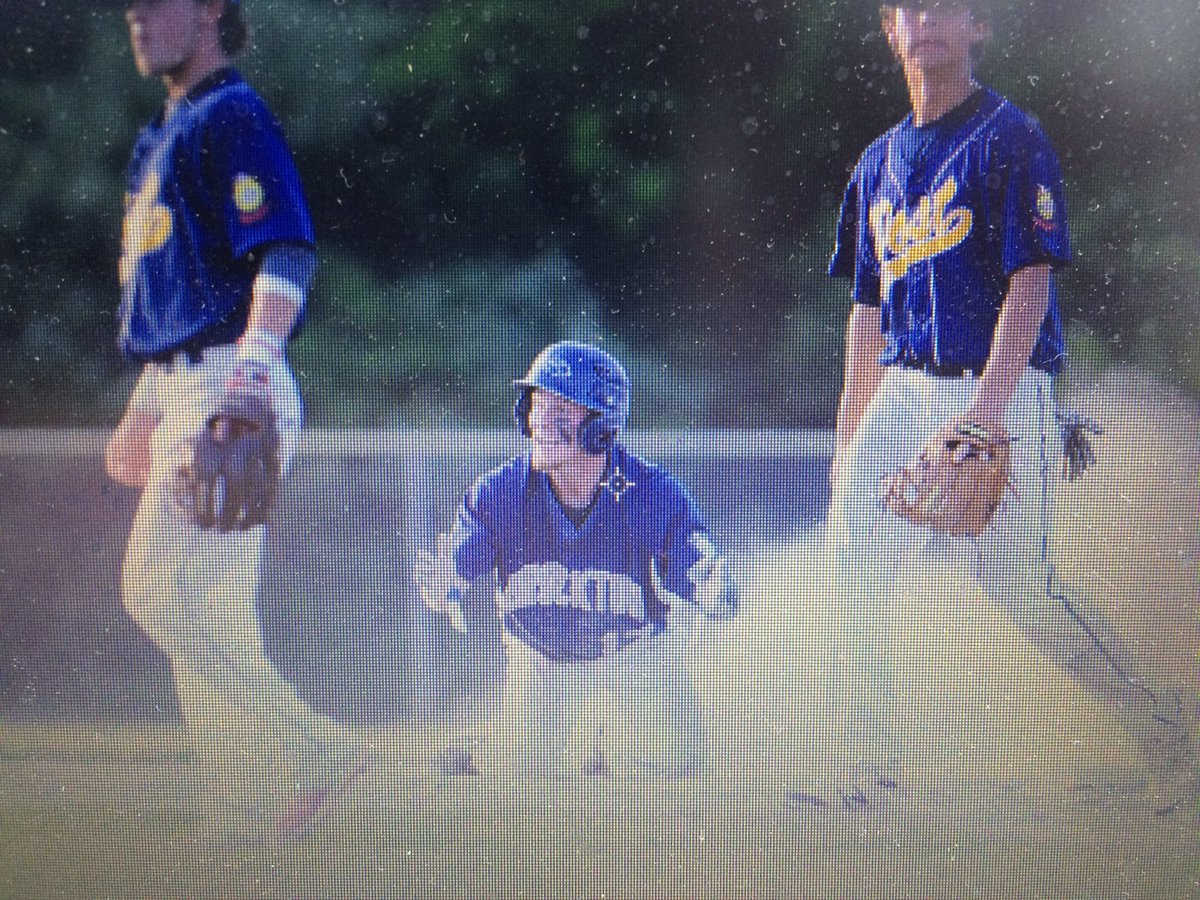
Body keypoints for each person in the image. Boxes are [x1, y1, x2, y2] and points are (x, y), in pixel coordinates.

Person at [811, 0, 1195, 812]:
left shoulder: (1010, 138)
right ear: (888, 28)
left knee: (1022, 588)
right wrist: (849, 436)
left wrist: (985, 413)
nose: (925, 20)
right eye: (908, 8)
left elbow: (1032, 279)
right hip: (904, 387)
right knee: (848, 563)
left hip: (1002, 382)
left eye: (946, 6)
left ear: (979, 26)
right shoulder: (877, 162)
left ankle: (1174, 742)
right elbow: (867, 309)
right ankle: (869, 771)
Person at [103, 0, 364, 837]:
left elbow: (285, 246)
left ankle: (315, 747)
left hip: (232, 383)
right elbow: (181, 289)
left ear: (211, 9)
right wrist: (146, 402)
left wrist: (252, 365)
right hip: (186, 380)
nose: (135, 13)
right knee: (209, 617)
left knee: (155, 592)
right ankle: (254, 817)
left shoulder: (231, 114)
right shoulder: (162, 133)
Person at [414, 341, 738, 779]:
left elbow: (695, 563)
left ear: (600, 430)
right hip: (540, 656)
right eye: (537, 406)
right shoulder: (503, 491)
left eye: (561, 410)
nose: (541, 423)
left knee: (668, 770)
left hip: (631, 655)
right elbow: (462, 555)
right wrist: (447, 579)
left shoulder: (645, 492)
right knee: (523, 777)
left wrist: (711, 586)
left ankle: (610, 744)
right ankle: (487, 746)